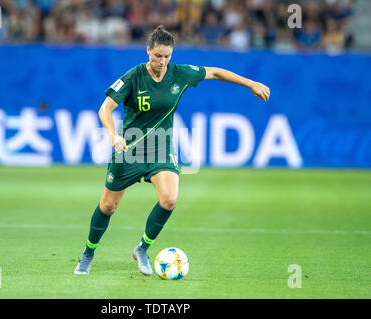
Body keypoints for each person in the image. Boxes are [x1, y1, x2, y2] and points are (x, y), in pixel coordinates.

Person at [74, 25, 270, 275]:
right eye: (157, 56)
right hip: (130, 147)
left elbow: (216, 73)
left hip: (161, 146)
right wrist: (113, 135)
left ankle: (142, 248)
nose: (162, 61)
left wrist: (250, 83)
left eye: (167, 56)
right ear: (148, 51)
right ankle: (88, 253)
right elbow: (105, 109)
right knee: (108, 206)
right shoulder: (133, 76)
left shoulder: (179, 74)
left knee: (169, 199)